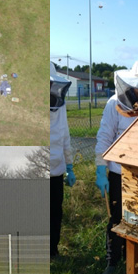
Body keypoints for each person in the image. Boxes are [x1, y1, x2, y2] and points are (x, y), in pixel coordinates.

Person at [95, 60, 138, 274]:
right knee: (116, 219)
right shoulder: (114, 103)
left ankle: (135, 258)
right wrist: (101, 169)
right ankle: (113, 261)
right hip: (117, 173)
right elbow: (104, 136)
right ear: (131, 84)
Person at [50, 61, 76, 259]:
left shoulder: (59, 104)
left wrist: (69, 165)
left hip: (56, 170)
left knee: (54, 214)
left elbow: (65, 135)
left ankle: (52, 251)